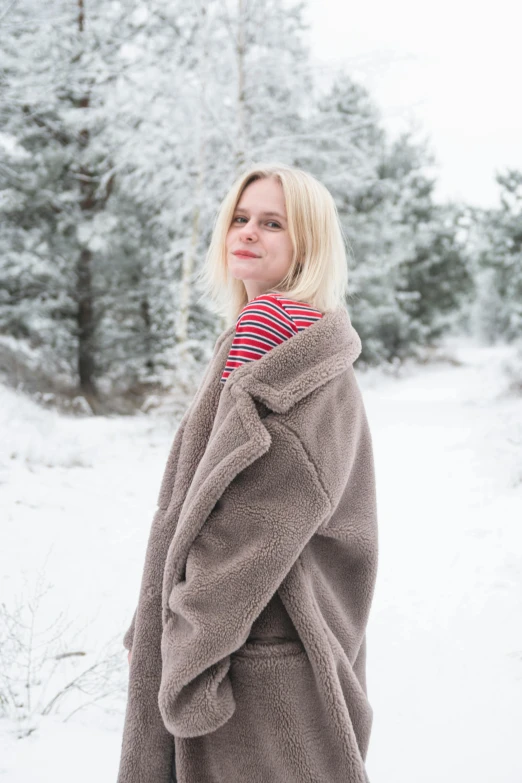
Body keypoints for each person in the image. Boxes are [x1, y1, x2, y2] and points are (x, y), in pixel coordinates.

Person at [117, 162, 378, 783]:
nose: (247, 233)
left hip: (249, 661)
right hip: (282, 645)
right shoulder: (306, 341)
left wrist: (188, 654)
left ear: (307, 244)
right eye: (239, 218)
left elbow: (251, 525)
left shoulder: (269, 335)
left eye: (272, 224)